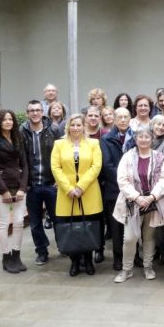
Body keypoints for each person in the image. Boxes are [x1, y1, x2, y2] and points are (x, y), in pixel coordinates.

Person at [113, 127, 164, 283]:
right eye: (140, 137)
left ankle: (148, 266)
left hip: (153, 204)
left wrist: (151, 197)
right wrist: (138, 197)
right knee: (129, 238)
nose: (143, 140)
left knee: (149, 237)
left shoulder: (160, 157)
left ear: (152, 139)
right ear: (136, 139)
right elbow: (122, 180)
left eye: (147, 137)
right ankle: (127, 270)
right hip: (132, 204)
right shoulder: (127, 157)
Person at [51, 114, 104, 276]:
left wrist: (81, 186)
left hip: (88, 192)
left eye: (78, 125)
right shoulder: (59, 144)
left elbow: (96, 166)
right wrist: (69, 188)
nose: (75, 128)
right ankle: (74, 261)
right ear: (68, 127)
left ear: (84, 126)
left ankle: (88, 260)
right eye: (72, 125)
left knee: (89, 227)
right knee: (70, 228)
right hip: (67, 194)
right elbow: (55, 167)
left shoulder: (93, 143)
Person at [0, 110, 28, 274]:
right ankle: (6, 257)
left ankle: (16, 255)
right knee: (4, 223)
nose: (8, 122)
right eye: (5, 119)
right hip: (1, 187)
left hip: (19, 186)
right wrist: (3, 191)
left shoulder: (18, 138)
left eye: (11, 119)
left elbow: (25, 165)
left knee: (18, 222)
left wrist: (23, 188)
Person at [20, 100, 61, 264]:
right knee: (35, 223)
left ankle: (63, 246)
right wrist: (24, 182)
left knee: (58, 219)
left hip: (51, 184)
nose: (35, 113)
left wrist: (59, 179)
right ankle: (42, 251)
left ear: (43, 112)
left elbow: (62, 155)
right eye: (32, 110)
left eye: (38, 110)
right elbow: (19, 159)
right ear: (27, 113)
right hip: (32, 185)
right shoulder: (21, 132)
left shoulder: (54, 129)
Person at [100, 107, 135, 271]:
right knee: (116, 227)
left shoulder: (136, 137)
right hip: (114, 189)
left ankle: (135, 256)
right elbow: (107, 166)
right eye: (119, 117)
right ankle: (118, 258)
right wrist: (124, 182)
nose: (122, 120)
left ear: (130, 119)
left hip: (135, 189)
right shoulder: (106, 139)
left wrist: (132, 184)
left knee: (134, 225)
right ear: (114, 119)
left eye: (125, 117)